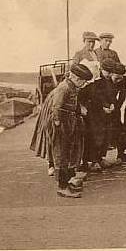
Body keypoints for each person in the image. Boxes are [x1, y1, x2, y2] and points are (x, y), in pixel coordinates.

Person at [29, 63, 94, 198]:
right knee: (61, 154)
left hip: (68, 123)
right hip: (61, 125)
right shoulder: (63, 88)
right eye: (82, 81)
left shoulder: (72, 87)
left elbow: (71, 105)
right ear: (76, 78)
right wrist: (58, 125)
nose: (83, 84)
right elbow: (56, 107)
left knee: (67, 153)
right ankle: (62, 187)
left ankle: (67, 182)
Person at [81, 58, 117, 171]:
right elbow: (93, 96)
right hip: (92, 112)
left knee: (105, 135)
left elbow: (110, 94)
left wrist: (112, 104)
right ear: (101, 69)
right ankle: (92, 160)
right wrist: (103, 107)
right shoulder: (94, 79)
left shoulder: (108, 80)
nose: (110, 74)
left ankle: (100, 157)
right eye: (108, 72)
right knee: (94, 136)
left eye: (111, 72)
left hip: (103, 112)